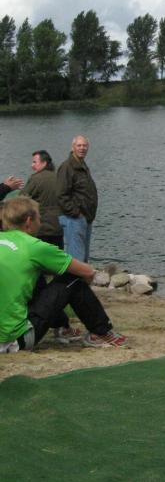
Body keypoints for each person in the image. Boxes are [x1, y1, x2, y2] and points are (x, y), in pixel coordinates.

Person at [0, 197, 127, 353]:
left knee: (34, 278)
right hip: (15, 341)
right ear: (28, 221)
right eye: (39, 217)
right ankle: (101, 333)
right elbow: (87, 271)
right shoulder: (34, 247)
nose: (40, 222)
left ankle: (62, 326)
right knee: (72, 279)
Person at [22, 149, 80, 343]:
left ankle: (56, 322)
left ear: (44, 163)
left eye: (35, 162)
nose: (32, 165)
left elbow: (21, 201)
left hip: (40, 231)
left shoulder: (36, 179)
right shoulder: (59, 177)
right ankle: (61, 323)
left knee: (36, 278)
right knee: (58, 275)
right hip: (58, 229)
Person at [56, 135, 98, 262]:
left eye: (85, 145)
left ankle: (81, 275)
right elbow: (61, 194)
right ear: (73, 147)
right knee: (76, 257)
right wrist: (76, 213)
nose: (82, 148)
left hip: (85, 217)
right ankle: (74, 275)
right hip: (73, 218)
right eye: (79, 145)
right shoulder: (67, 167)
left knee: (83, 256)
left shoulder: (82, 165)